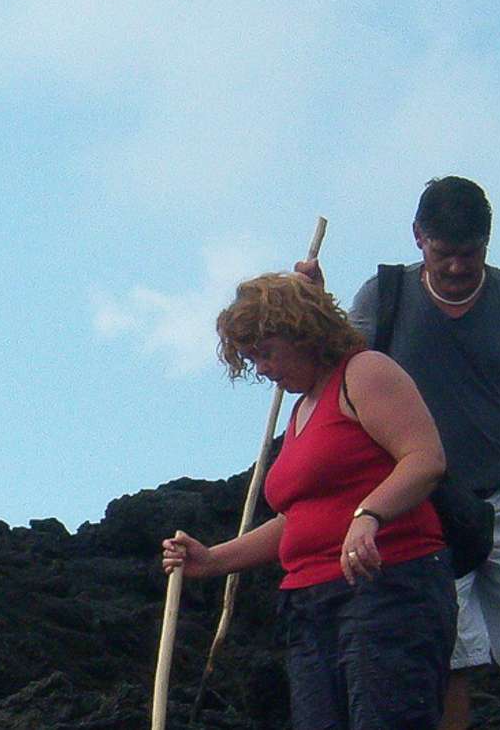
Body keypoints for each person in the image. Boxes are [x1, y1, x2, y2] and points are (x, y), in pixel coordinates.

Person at [301, 177, 500, 730]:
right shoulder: (385, 296)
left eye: (471, 253)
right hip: (421, 503)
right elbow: (337, 367)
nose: (459, 267)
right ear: (419, 238)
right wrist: (313, 302)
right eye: (446, 253)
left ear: (487, 243)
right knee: (444, 658)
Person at [162, 272, 453, 730]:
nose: (263, 369)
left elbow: (424, 458)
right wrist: (214, 560)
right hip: (307, 604)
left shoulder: (365, 372)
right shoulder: (302, 410)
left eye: (266, 352)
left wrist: (369, 514)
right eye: (253, 358)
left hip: (385, 587)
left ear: (302, 332)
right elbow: (295, 520)